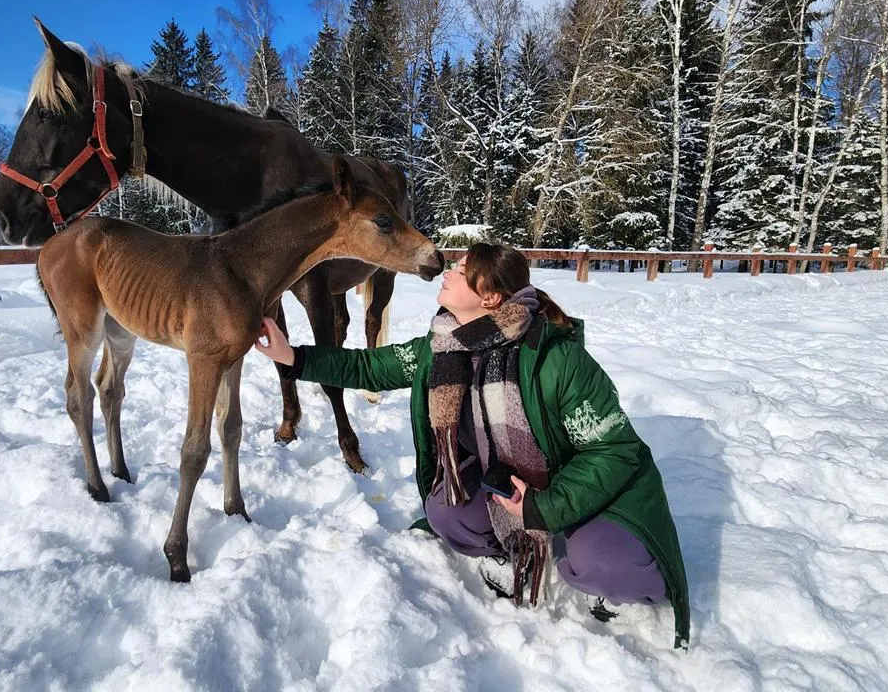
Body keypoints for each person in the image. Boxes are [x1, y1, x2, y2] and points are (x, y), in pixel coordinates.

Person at [254, 243, 691, 649]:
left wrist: (545, 507)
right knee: (446, 511)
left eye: (463, 271)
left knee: (608, 562)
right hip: (510, 482)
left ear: (490, 299)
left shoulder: (557, 361)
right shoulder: (443, 345)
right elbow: (372, 367)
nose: (450, 270)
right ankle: (503, 549)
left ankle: (612, 581)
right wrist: (293, 356)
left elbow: (614, 452)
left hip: (590, 485)